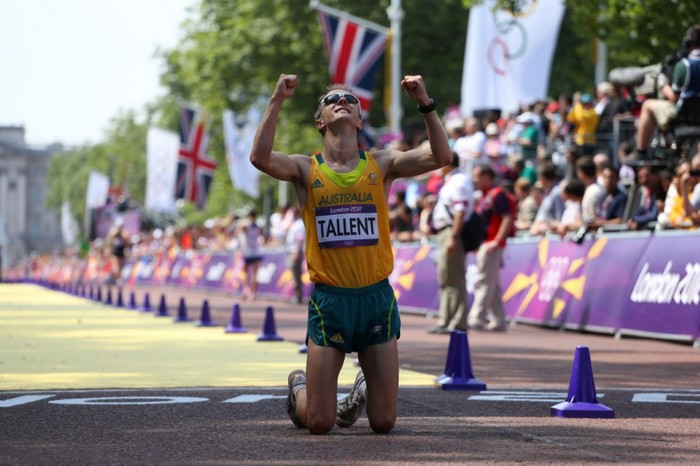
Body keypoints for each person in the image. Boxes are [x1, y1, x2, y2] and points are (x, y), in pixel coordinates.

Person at [250, 73, 451, 434]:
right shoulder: (304, 168)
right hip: (330, 303)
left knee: (384, 423)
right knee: (320, 424)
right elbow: (260, 158)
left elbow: (442, 156)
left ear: (359, 120)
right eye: (332, 100)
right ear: (320, 121)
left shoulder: (382, 163)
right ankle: (300, 386)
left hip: (376, 299)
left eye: (350, 99)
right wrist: (276, 100)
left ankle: (360, 390)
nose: (341, 100)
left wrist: (425, 102)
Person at [632, 25, 700, 162]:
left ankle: (641, 151)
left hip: (684, 115)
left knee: (647, 105)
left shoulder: (684, 65)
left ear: (688, 43)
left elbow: (675, 97)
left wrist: (663, 87)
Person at [427, 153, 474, 334]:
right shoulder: (453, 180)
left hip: (451, 232)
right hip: (446, 232)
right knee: (446, 278)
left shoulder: (459, 181)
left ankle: (457, 322)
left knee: (454, 279)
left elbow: (460, 211)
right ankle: (446, 320)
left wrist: (454, 236)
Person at [467, 164, 515, 332]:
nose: (474, 179)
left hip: (492, 244)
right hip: (485, 243)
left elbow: (507, 218)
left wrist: (497, 241)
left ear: (487, 177)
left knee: (484, 281)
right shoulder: (483, 196)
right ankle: (499, 320)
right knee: (492, 283)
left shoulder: (497, 194)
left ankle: (476, 318)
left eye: (477, 175)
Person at [236, 209, 264, 300]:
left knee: (244, 272)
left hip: (248, 251)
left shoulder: (245, 225)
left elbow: (237, 233)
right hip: (256, 251)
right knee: (255, 274)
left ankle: (246, 289)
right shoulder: (258, 226)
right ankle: (253, 293)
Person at [285, 206, 306, 304]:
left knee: (296, 275)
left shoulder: (299, 224)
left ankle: (298, 297)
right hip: (293, 251)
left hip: (295, 252)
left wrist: (297, 252)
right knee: (294, 275)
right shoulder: (295, 224)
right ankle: (297, 296)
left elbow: (299, 239)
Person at [107, 220, 129, 285]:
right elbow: (110, 240)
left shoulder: (123, 232)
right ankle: (117, 279)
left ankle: (118, 279)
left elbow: (126, 241)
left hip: (120, 250)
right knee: (116, 265)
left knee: (119, 265)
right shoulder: (113, 231)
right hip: (115, 250)